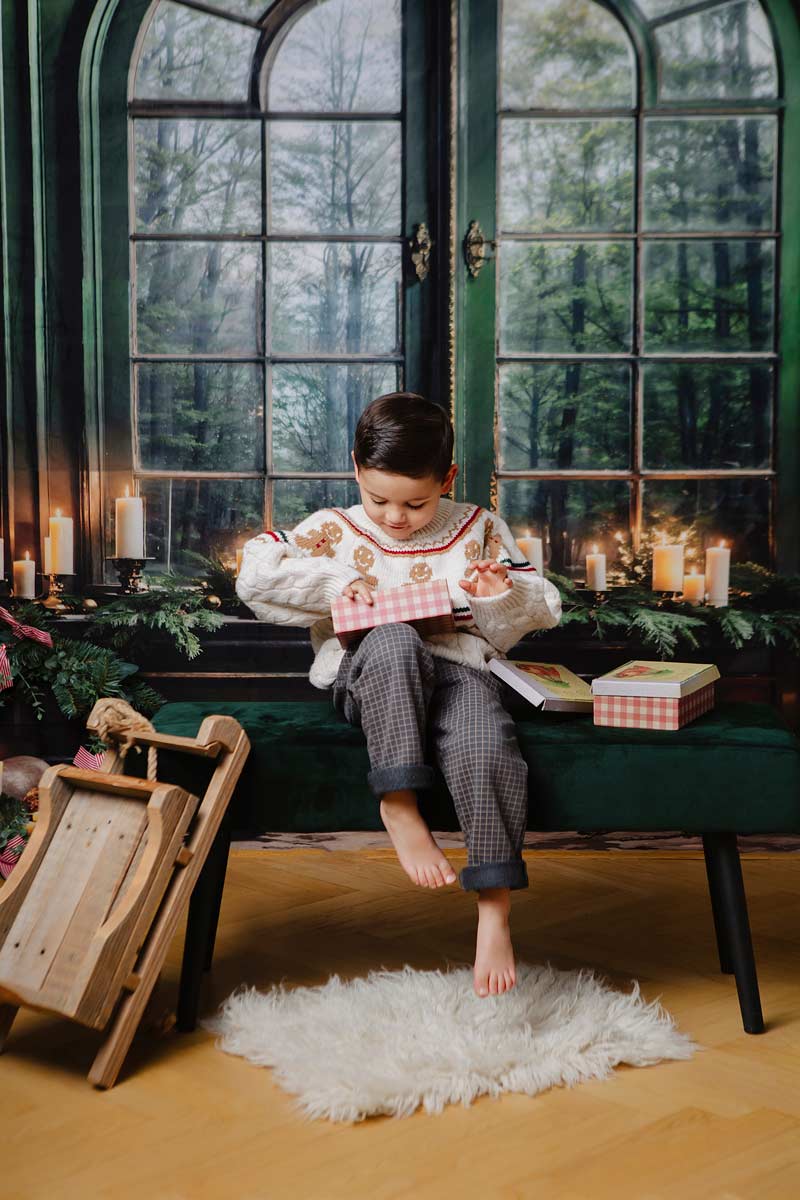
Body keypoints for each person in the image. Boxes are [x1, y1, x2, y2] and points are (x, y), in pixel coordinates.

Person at [236, 393, 562, 997]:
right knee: (393, 640)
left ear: (448, 478)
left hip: (460, 673)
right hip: (372, 673)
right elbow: (255, 576)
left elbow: (536, 609)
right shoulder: (333, 529)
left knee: (485, 744)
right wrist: (339, 581)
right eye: (378, 498)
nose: (394, 518)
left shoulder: (482, 528)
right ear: (356, 467)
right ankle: (399, 803)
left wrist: (494, 595)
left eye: (416, 502)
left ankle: (494, 909)